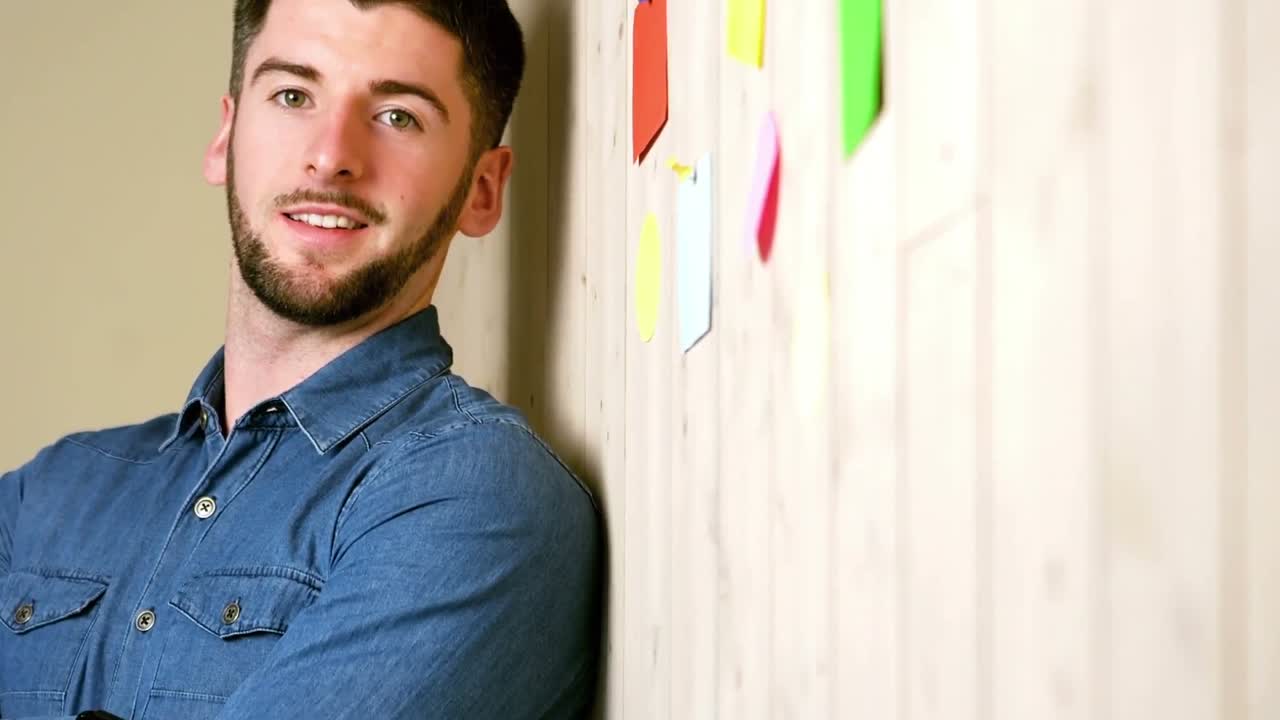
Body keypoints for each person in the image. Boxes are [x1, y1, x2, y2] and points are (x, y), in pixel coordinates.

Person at [0, 1, 601, 718]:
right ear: (226, 134)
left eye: (398, 116)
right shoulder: (45, 497)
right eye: (293, 95)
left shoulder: (479, 499)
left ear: (483, 188)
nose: (331, 154)